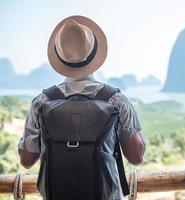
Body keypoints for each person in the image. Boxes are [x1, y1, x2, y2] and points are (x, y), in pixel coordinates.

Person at [17, 15, 146, 199]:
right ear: (94, 53)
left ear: (61, 58)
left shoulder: (41, 102)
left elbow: (27, 161)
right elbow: (136, 157)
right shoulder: (116, 100)